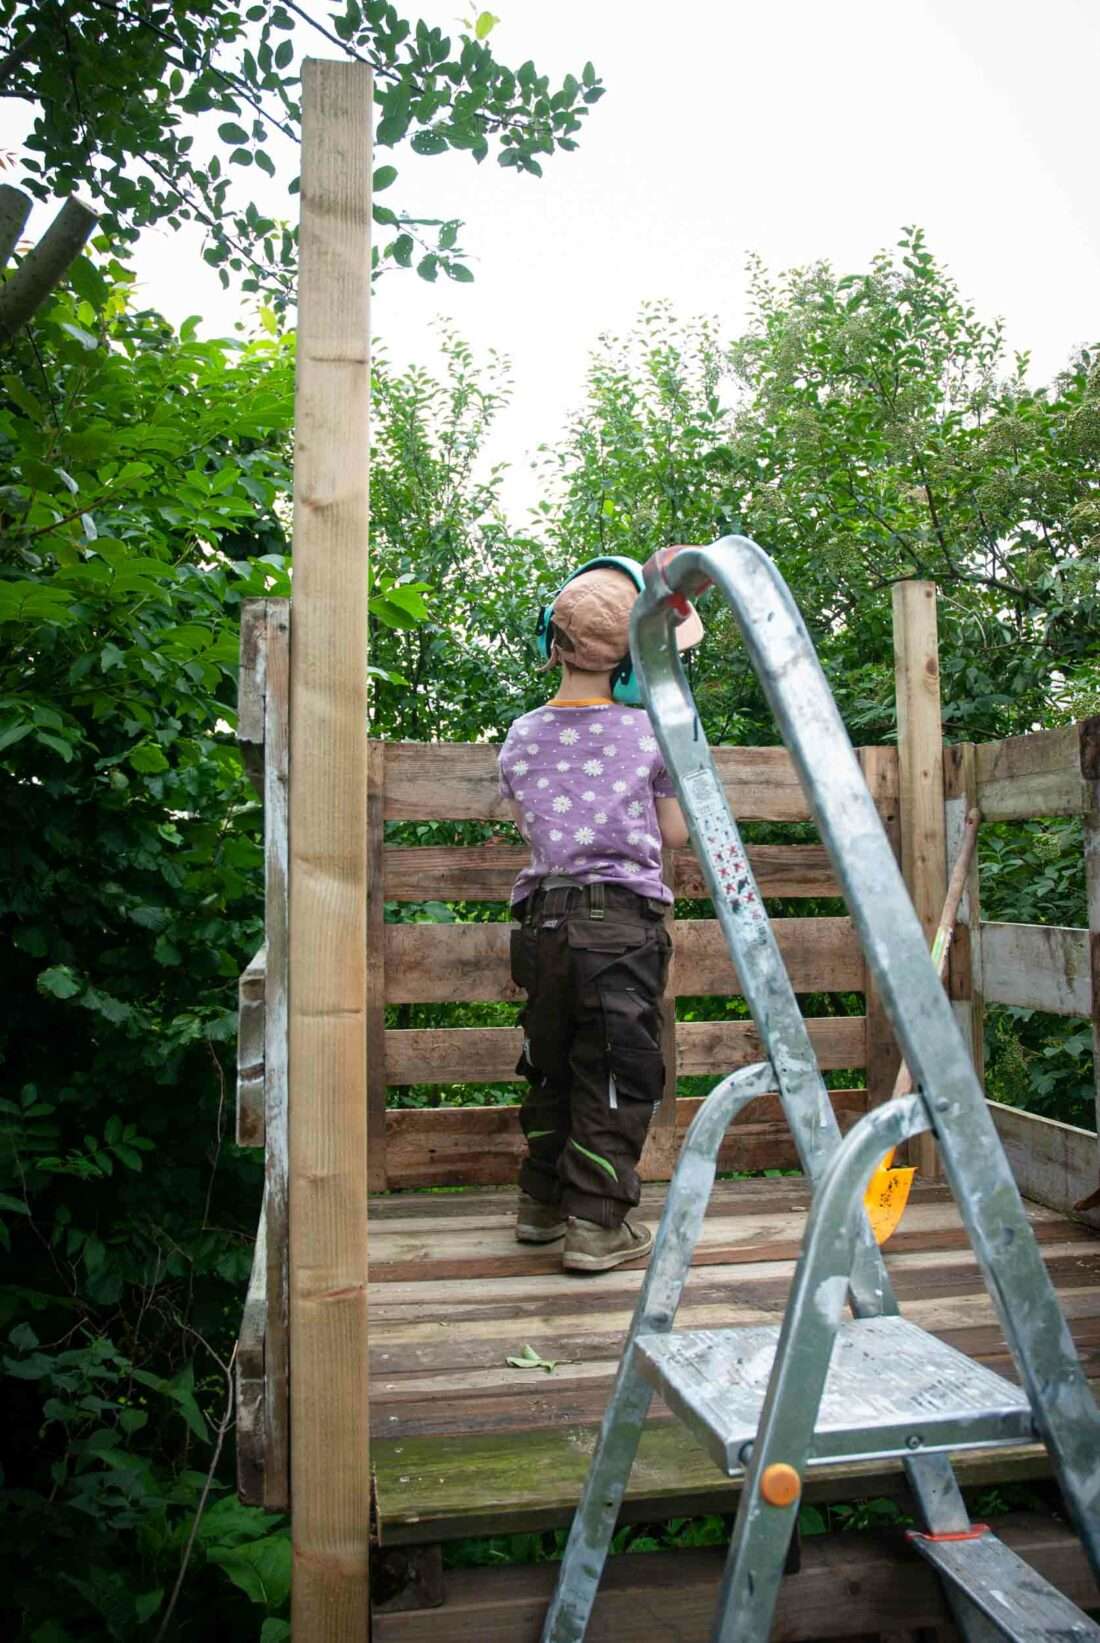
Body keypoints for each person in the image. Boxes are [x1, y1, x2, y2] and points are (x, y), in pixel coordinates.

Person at [498, 563, 699, 1273]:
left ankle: (540, 1206)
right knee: (617, 1071)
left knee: (550, 1065)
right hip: (619, 926)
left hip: (543, 925)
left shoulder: (521, 735)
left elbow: (533, 826)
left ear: (551, 645)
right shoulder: (648, 734)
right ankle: (596, 1226)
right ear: (631, 661)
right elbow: (675, 834)